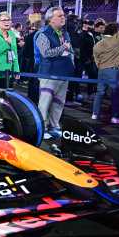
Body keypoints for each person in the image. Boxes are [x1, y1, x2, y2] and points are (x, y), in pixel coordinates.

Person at [36, 7, 75, 139]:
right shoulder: (43, 34)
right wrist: (62, 48)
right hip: (49, 73)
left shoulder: (65, 33)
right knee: (45, 103)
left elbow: (70, 50)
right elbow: (45, 53)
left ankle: (55, 126)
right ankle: (43, 127)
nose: (63, 18)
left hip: (64, 73)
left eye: (63, 15)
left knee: (59, 102)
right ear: (50, 19)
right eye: (59, 16)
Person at [92, 22, 119, 124]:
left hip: (101, 70)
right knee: (116, 94)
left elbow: (96, 57)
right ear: (115, 31)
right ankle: (115, 117)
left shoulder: (98, 43)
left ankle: (95, 114)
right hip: (113, 71)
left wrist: (100, 66)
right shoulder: (117, 40)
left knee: (99, 93)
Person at [0, 11, 20, 88]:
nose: (7, 22)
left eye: (8, 20)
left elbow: (14, 53)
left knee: (8, 96)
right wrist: (6, 44)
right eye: (4, 20)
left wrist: (16, 69)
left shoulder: (12, 34)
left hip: (9, 70)